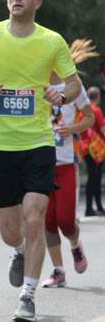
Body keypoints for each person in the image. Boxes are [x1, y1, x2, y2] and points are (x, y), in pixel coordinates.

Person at [0, 0, 79, 322]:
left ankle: (28, 295)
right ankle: (20, 250)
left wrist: (62, 94)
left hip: (38, 141)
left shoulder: (51, 41)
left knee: (34, 216)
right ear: (6, 0)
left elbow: (73, 83)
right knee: (11, 230)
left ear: (37, 2)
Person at [41, 40, 96, 288]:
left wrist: (71, 129)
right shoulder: (35, 82)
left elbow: (91, 117)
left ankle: (75, 245)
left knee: (64, 220)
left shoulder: (73, 85)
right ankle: (58, 271)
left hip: (64, 161)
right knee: (48, 221)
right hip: (39, 160)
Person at [82, 86, 105, 216]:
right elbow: (103, 130)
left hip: (86, 148)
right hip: (97, 150)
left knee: (93, 178)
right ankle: (92, 208)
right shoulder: (96, 110)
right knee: (95, 178)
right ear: (98, 97)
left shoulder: (84, 110)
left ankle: (94, 207)